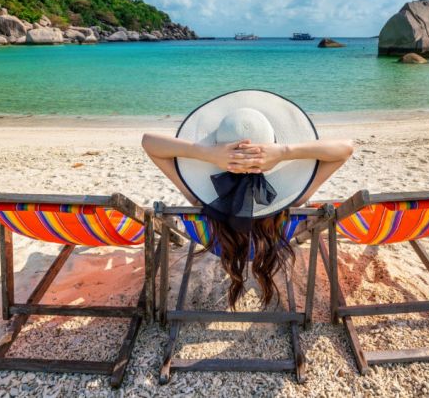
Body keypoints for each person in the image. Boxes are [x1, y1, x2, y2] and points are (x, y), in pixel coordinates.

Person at [142, 90, 353, 308]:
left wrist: (207, 153)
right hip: (271, 245)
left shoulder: (201, 199)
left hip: (219, 246)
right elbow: (346, 148)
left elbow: (148, 142)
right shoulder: (292, 200)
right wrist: (285, 152)